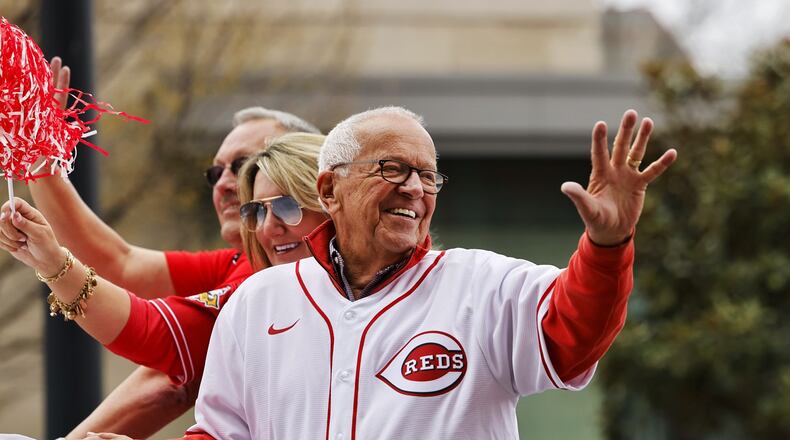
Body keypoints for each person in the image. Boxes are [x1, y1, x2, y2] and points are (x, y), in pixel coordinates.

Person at [181, 106, 677, 439]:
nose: (415, 188)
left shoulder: (481, 285)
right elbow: (218, 434)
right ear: (330, 189)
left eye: (428, 175)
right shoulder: (258, 301)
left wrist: (607, 245)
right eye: (393, 170)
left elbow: (574, 332)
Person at [0, 85, 322, 436]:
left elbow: (157, 338)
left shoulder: (296, 282)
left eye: (244, 165)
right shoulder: (249, 269)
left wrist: (54, 264)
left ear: (325, 192)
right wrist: (39, 157)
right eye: (215, 173)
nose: (226, 183)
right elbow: (121, 265)